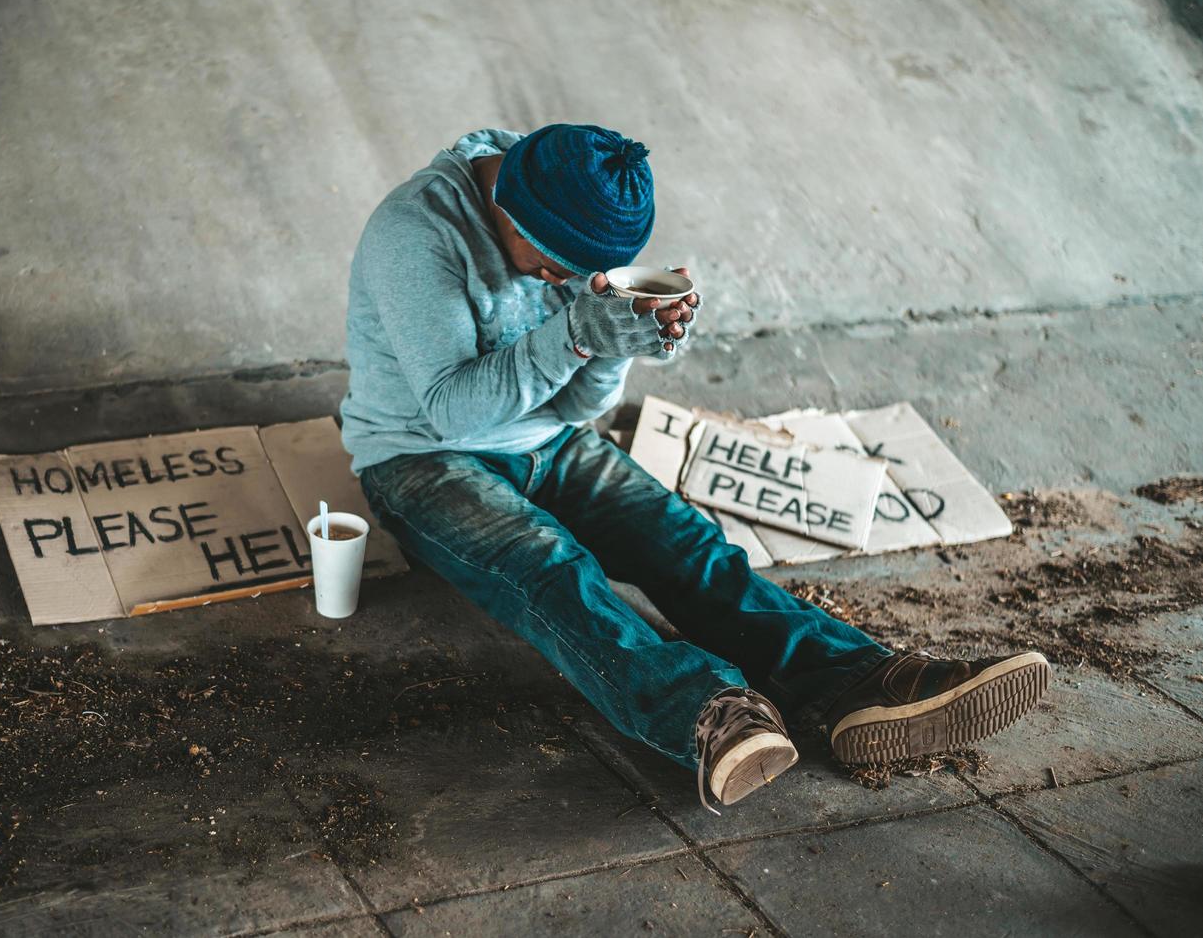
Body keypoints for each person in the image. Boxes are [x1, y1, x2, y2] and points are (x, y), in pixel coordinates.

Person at [338, 125, 1050, 810]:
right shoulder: (416, 234)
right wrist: (573, 332)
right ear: (508, 213)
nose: (561, 280)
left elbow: (577, 403)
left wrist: (620, 340)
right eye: (554, 265)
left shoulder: (562, 208)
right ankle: (705, 716)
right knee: (551, 568)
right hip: (419, 455)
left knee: (685, 543)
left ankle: (856, 681)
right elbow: (453, 413)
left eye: (576, 275)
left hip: (547, 436)